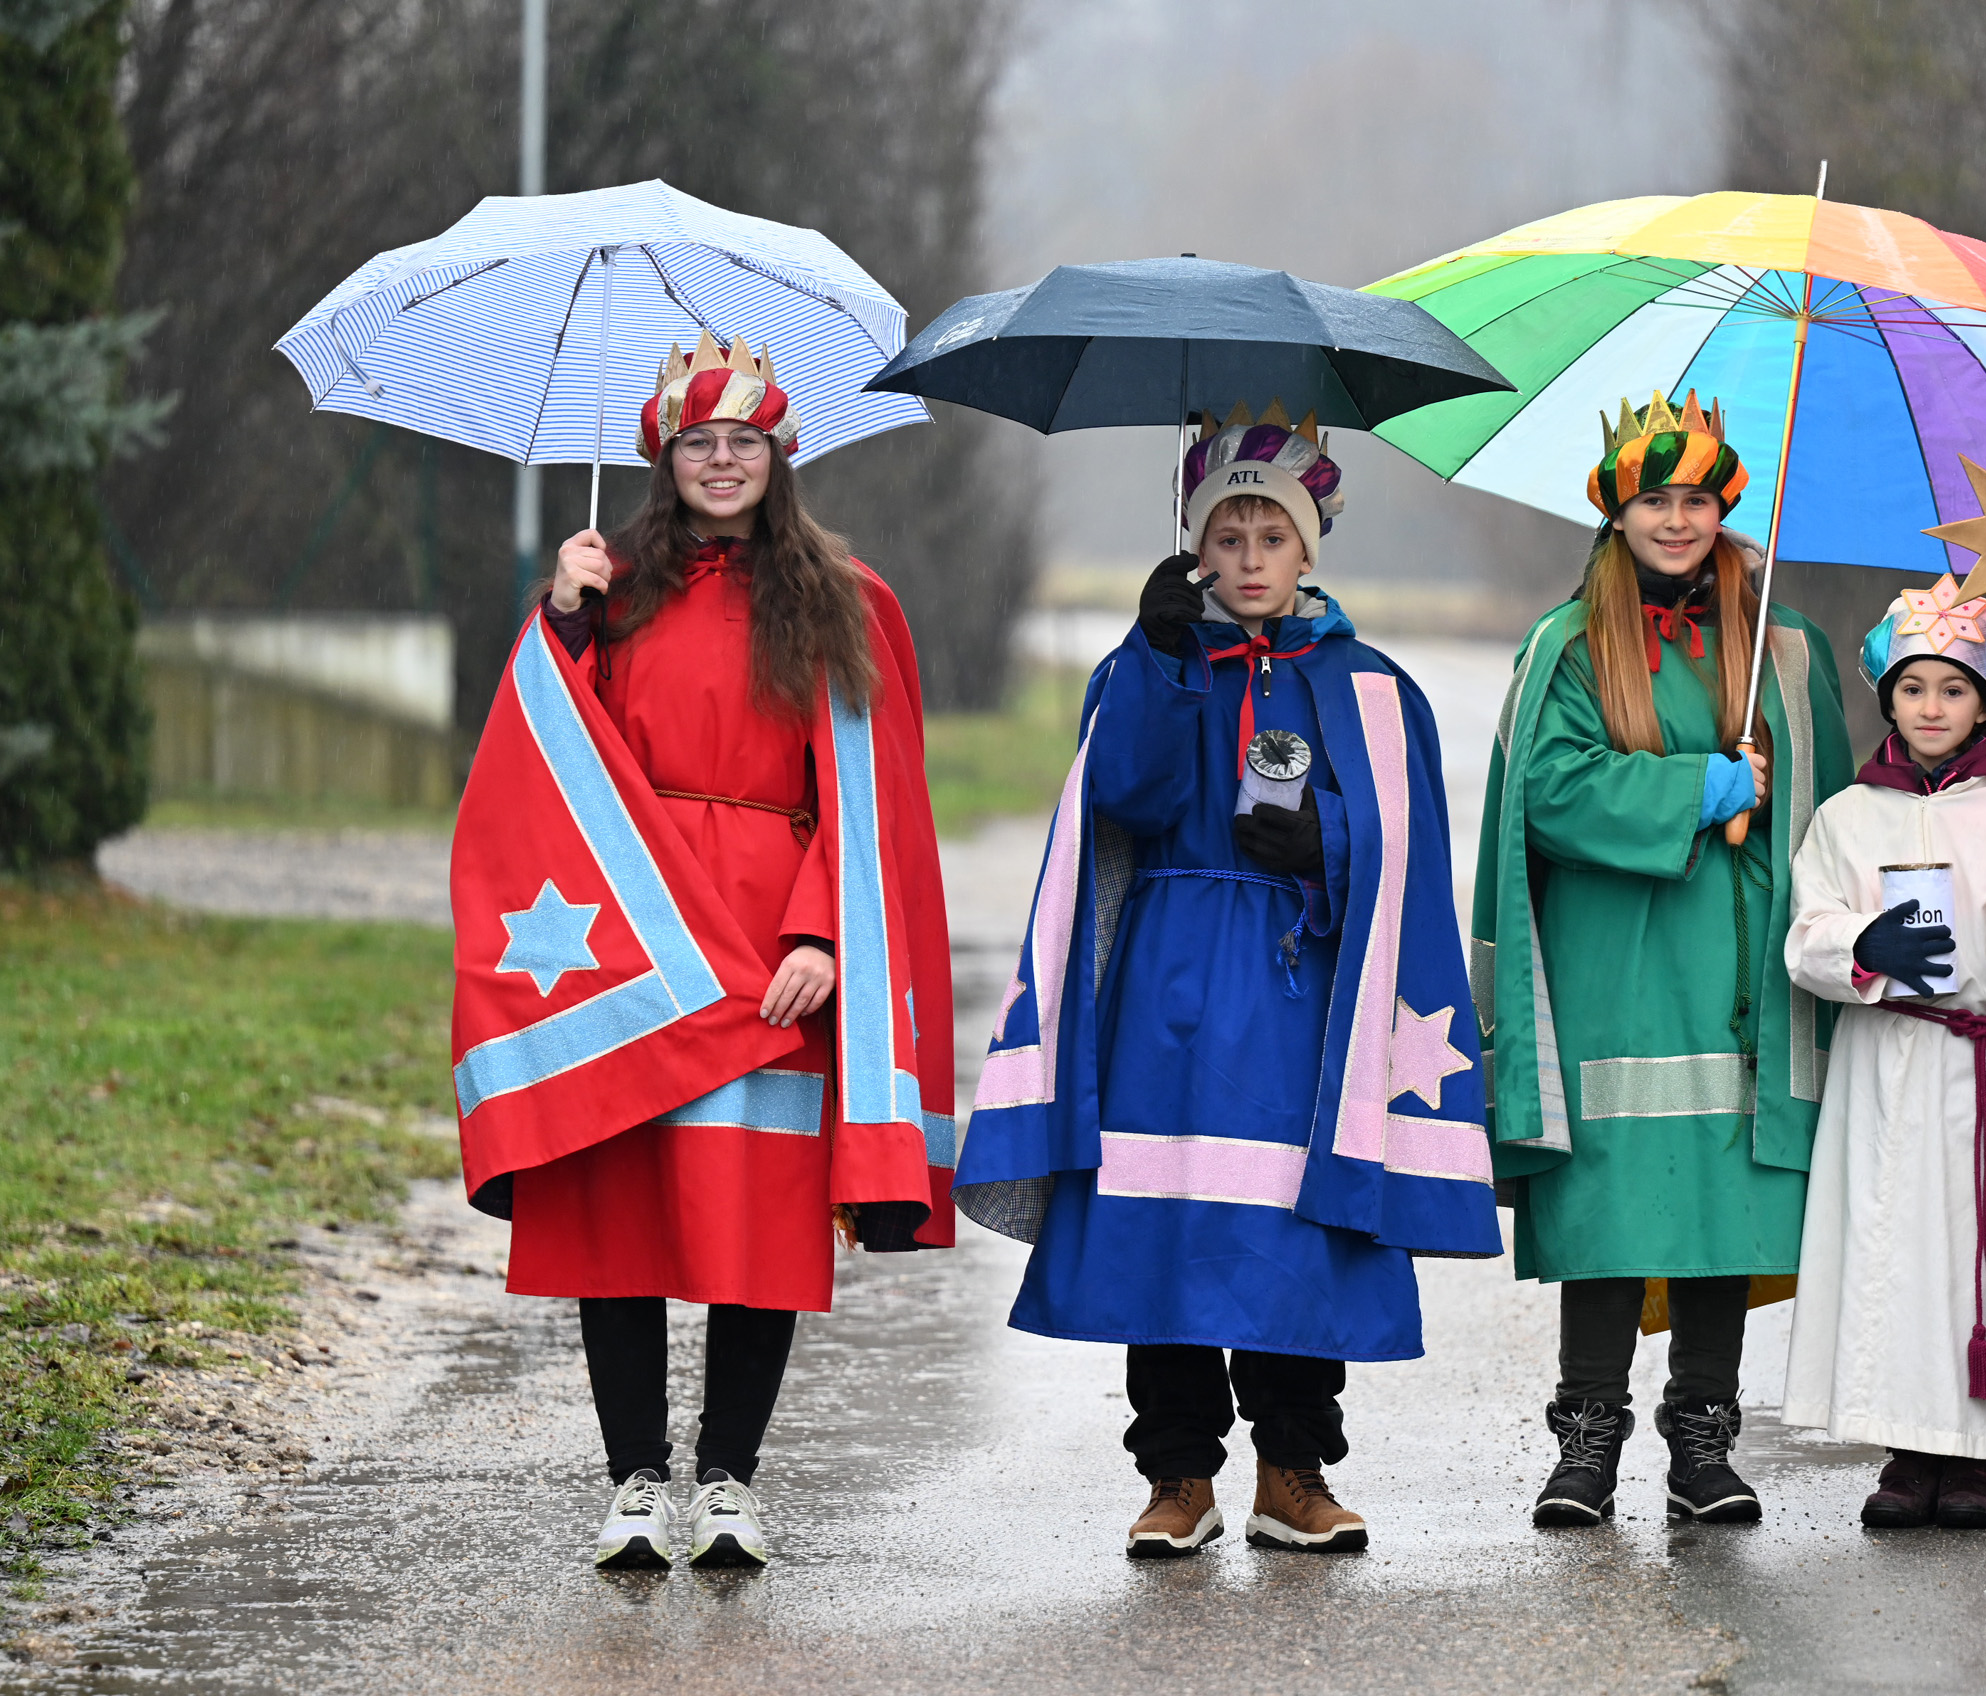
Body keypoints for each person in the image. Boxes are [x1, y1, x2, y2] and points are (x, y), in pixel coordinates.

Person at [956, 402, 1500, 1560]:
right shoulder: (1151, 658)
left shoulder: (1369, 686)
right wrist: (1157, 659)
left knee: (1291, 1235)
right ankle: (1176, 1474)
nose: (1249, 561)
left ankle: (1293, 1471)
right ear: (1196, 544)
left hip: (1302, 997)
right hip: (1167, 989)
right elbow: (1126, 799)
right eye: (1228, 537)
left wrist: (1326, 845)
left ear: (1310, 547)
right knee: (1163, 1228)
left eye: (1273, 538)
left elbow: (1406, 856)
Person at [448, 332, 953, 1571]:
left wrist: (826, 930)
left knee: (754, 1224)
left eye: (744, 443)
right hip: (634, 941)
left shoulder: (848, 598)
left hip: (769, 940)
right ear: (662, 457)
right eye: (698, 444)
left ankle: (729, 1478)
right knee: (621, 1218)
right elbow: (549, 753)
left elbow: (876, 795)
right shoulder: (609, 586)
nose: (721, 463)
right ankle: (632, 1479)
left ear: (780, 455)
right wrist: (561, 619)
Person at [1474, 391, 1852, 1529]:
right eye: (1655, 499)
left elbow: (1834, 817)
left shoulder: (1785, 647)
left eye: (1694, 498)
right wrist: (1704, 786)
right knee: (1612, 1202)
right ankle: (1586, 1439)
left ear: (1724, 505)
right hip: (1610, 970)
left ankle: (1703, 1442)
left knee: (1712, 1209)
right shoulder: (1569, 644)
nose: (1676, 519)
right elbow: (1547, 790)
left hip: (1734, 971)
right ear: (1617, 509)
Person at [1780, 575, 1986, 1529]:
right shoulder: (1848, 816)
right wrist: (1861, 950)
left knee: (1983, 1253)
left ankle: (1977, 1456)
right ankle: (1906, 1451)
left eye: (1954, 689)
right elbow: (1807, 933)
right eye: (1915, 687)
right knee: (1896, 1248)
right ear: (1888, 697)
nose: (1932, 707)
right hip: (1891, 1061)